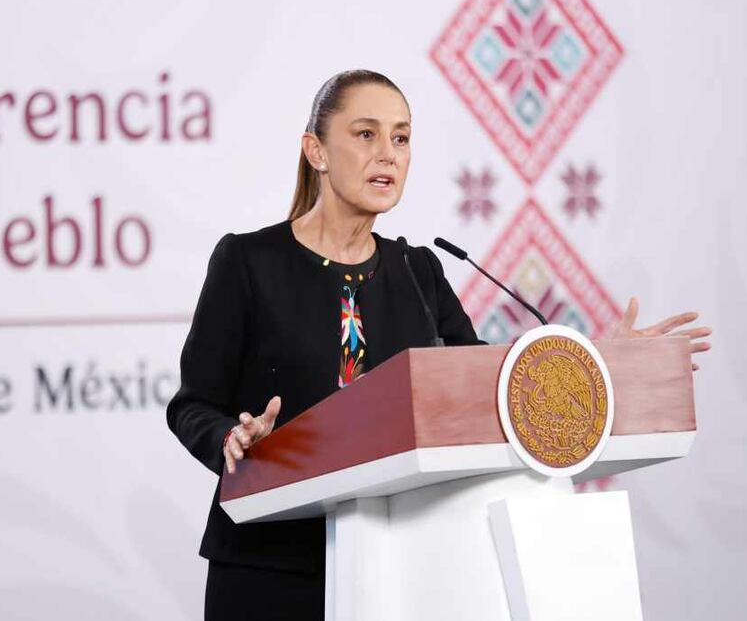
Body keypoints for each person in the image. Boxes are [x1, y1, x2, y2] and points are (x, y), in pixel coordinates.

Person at [165, 70, 711, 621]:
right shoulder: (248, 262)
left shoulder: (418, 270)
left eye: (401, 138)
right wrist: (232, 438)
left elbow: (488, 397)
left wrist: (602, 365)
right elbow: (192, 404)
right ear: (317, 151)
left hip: (402, 567)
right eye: (365, 135)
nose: (388, 154)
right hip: (271, 570)